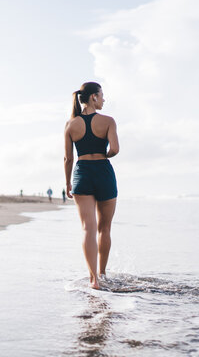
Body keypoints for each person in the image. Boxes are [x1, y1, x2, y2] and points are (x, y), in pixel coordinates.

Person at [64, 82, 119, 289]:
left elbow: (68, 159)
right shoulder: (108, 122)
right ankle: (103, 274)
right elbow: (114, 149)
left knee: (88, 228)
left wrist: (68, 182)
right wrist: (103, 155)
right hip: (103, 172)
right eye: (102, 95)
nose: (104, 99)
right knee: (104, 228)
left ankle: (93, 278)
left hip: (82, 173)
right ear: (94, 97)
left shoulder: (71, 125)